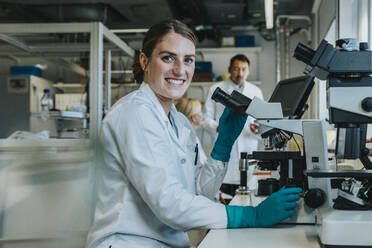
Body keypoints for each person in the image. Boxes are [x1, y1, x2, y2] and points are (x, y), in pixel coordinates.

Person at [86, 19, 301, 248]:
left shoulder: (179, 122)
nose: (180, 70)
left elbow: (199, 191)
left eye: (188, 60)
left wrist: (223, 145)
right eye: (168, 58)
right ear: (144, 60)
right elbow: (169, 203)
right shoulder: (134, 113)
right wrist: (250, 216)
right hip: (127, 242)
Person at [203, 54, 264, 197]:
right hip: (225, 151)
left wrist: (259, 129)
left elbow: (262, 120)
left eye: (244, 69)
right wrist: (219, 128)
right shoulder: (216, 89)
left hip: (248, 149)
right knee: (223, 196)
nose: (240, 73)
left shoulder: (256, 91)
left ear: (248, 71)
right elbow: (206, 119)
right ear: (230, 69)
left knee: (246, 197)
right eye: (236, 69)